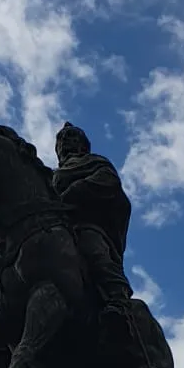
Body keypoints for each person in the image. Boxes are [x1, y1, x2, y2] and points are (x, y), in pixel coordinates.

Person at [52, 122, 134, 336]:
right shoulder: (50, 176)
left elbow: (108, 182)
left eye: (71, 138)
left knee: (92, 248)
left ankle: (118, 301)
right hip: (55, 228)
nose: (65, 143)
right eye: (61, 140)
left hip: (85, 224)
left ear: (82, 145)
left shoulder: (95, 163)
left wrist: (75, 191)